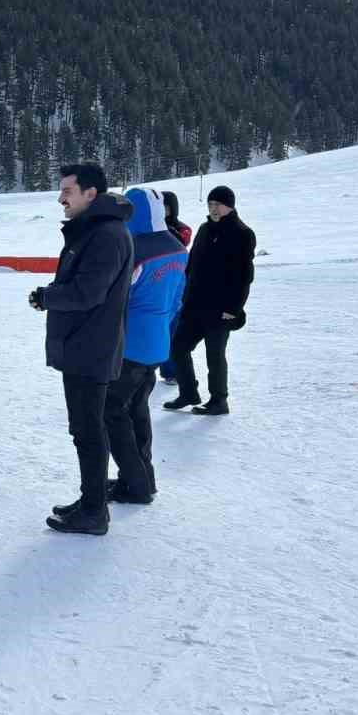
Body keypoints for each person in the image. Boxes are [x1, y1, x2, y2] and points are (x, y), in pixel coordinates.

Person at [28, 163, 132, 536]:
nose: (61, 199)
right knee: (85, 429)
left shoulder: (106, 235)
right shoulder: (94, 230)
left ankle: (93, 512)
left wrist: (47, 297)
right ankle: (92, 500)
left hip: (91, 348)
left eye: (67, 191)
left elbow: (88, 292)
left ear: (91, 193)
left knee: (88, 431)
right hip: (85, 345)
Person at [104, 190, 187, 504]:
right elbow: (178, 298)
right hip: (158, 342)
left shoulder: (134, 249)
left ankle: (136, 484)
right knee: (137, 409)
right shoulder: (177, 247)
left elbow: (115, 300)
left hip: (130, 345)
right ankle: (143, 477)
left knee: (111, 411)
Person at [164, 186, 255, 416]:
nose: (213, 208)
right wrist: (184, 295)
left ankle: (219, 400)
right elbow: (191, 265)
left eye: (218, 204)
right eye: (210, 204)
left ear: (229, 206)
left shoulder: (242, 233)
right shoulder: (205, 229)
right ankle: (188, 393)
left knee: (214, 355)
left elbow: (244, 276)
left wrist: (233, 308)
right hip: (194, 305)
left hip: (221, 308)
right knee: (177, 347)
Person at [157, 192, 192, 384]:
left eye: (166, 207)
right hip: (157, 281)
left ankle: (170, 370)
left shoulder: (180, 229)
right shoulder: (152, 226)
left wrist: (165, 230)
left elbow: (182, 240)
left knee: (172, 329)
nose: (163, 211)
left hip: (175, 283)